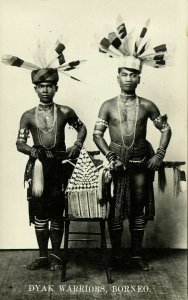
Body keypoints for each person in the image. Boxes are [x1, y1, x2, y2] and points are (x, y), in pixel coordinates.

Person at [93, 18, 172, 270]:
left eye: (133, 75)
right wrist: (111, 157)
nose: (128, 79)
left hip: (140, 159)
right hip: (116, 160)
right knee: (115, 208)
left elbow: (165, 129)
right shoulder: (107, 105)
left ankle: (137, 255)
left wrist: (158, 155)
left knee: (138, 206)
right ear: (117, 76)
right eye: (124, 74)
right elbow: (97, 135)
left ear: (139, 78)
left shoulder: (148, 105)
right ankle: (116, 255)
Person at [2, 41, 87, 271]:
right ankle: (42, 256)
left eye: (50, 85)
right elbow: (19, 143)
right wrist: (33, 151)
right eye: (41, 86)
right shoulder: (28, 116)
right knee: (39, 211)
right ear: (35, 89)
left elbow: (82, 128)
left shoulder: (66, 111)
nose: (46, 90)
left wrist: (76, 146)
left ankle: (57, 256)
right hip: (38, 167)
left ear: (56, 88)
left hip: (60, 166)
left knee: (57, 211)